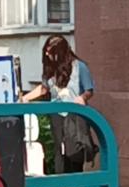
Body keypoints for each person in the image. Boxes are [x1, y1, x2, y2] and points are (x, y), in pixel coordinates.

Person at [22, 34, 97, 173]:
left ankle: (75, 180)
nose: (47, 55)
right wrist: (25, 98)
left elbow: (89, 90)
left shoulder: (79, 67)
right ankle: (60, 179)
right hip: (56, 113)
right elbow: (44, 88)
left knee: (73, 149)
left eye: (50, 52)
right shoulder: (50, 68)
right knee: (58, 149)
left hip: (74, 114)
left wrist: (82, 98)